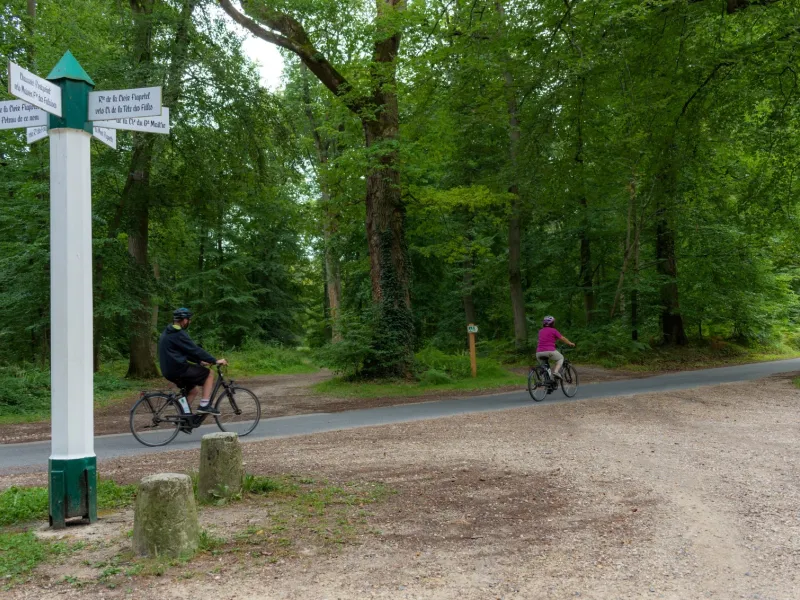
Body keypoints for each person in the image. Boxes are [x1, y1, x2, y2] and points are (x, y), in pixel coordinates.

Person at [158, 308, 227, 415]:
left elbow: (183, 351)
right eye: (189, 319)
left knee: (193, 391)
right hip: (178, 369)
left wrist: (199, 361)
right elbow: (194, 349)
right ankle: (204, 405)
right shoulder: (178, 333)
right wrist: (215, 360)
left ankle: (183, 416)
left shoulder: (168, 332)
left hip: (169, 370)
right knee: (209, 374)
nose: (189, 322)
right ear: (184, 320)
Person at [535, 315, 575, 379]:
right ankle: (556, 372)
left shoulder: (540, 331)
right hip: (549, 351)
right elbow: (562, 338)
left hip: (538, 353)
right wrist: (570, 343)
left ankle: (547, 382)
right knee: (561, 358)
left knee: (545, 367)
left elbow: (544, 339)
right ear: (552, 323)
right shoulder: (553, 330)